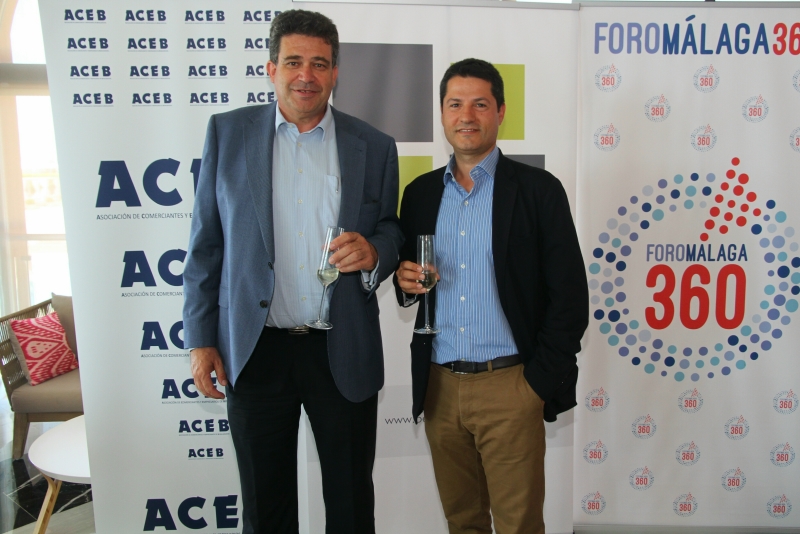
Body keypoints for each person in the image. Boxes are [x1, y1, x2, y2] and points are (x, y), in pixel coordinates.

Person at [182, 10, 403, 534]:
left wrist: (375, 252)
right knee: (266, 511)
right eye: (294, 62)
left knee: (351, 508)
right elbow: (206, 245)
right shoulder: (228, 133)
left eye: (320, 64)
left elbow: (391, 229)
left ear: (335, 72)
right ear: (271, 68)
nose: (307, 75)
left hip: (341, 349)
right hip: (256, 350)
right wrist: (201, 340)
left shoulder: (374, 145)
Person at [394, 58, 588, 534]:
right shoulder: (420, 194)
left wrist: (534, 386)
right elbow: (409, 280)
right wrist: (403, 282)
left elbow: (570, 299)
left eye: (480, 104)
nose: (466, 116)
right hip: (440, 387)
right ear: (442, 113)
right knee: (462, 522)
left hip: (511, 386)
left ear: (500, 111)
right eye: (455, 104)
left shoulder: (538, 190)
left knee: (519, 525)